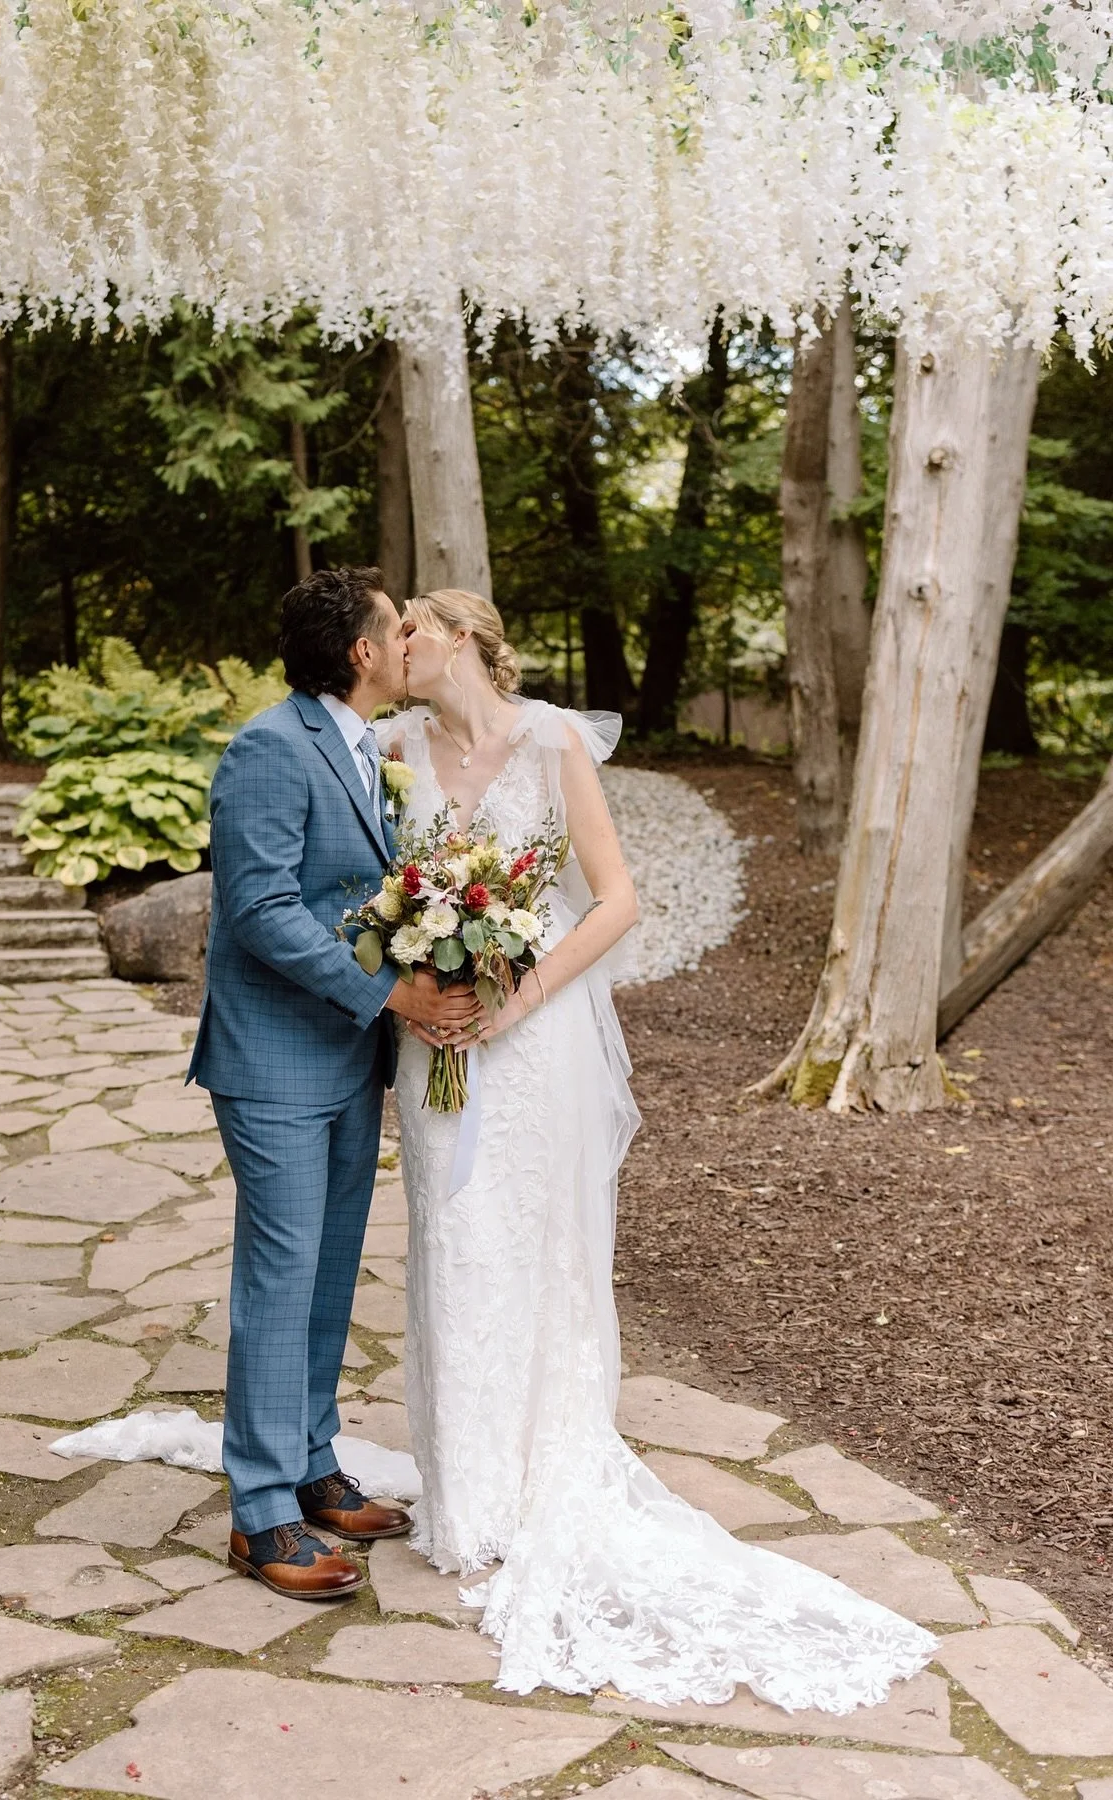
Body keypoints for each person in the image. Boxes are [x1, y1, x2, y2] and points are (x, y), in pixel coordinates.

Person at [381, 587, 937, 1712]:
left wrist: (517, 1000)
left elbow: (618, 899)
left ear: (464, 641)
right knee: (451, 1237)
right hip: (435, 1033)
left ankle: (539, 1470)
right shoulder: (393, 750)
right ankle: (466, 1490)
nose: (393, 646)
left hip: (530, 1044)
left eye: (410, 629)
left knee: (537, 1245)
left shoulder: (552, 743)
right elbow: (379, 892)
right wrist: (417, 983)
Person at [188, 566, 479, 1601]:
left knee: (324, 1273)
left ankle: (311, 1465)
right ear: (362, 653)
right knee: (279, 1276)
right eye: (399, 630)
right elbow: (262, 912)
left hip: (344, 1058)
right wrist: (397, 999)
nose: (412, 642)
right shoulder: (269, 748)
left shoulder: (360, 750)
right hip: (273, 1059)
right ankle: (260, 1515)